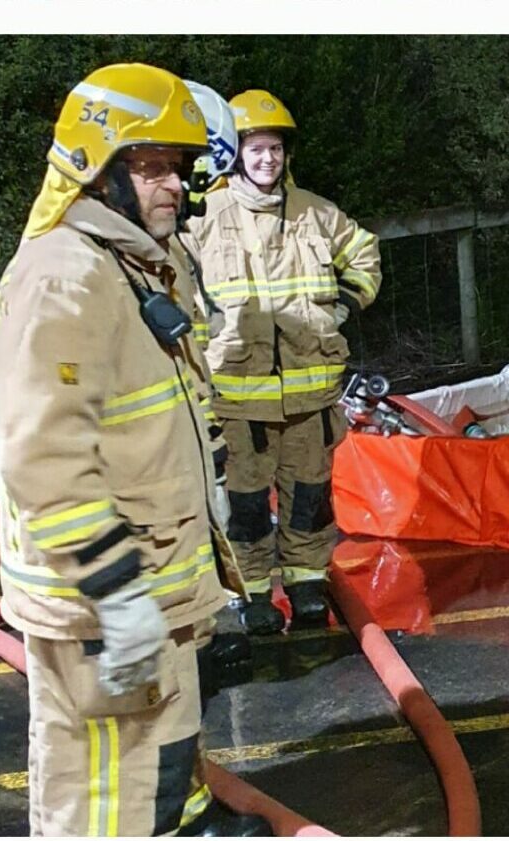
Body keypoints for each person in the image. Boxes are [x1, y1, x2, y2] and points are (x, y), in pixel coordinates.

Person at [0, 65, 265, 837]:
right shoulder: (63, 279)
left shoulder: (128, 260)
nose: (177, 185)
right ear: (98, 168)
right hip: (101, 615)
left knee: (162, 767)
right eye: (153, 167)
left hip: (150, 599)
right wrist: (115, 589)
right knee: (100, 816)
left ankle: (184, 834)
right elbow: (40, 456)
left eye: (177, 167)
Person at [184, 90, 379, 633]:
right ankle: (251, 596)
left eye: (274, 149)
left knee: (309, 499)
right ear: (236, 154)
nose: (266, 159)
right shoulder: (206, 218)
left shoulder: (316, 213)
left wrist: (342, 303)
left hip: (309, 399)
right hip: (237, 399)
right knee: (243, 507)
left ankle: (308, 585)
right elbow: (179, 293)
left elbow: (365, 253)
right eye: (255, 149)